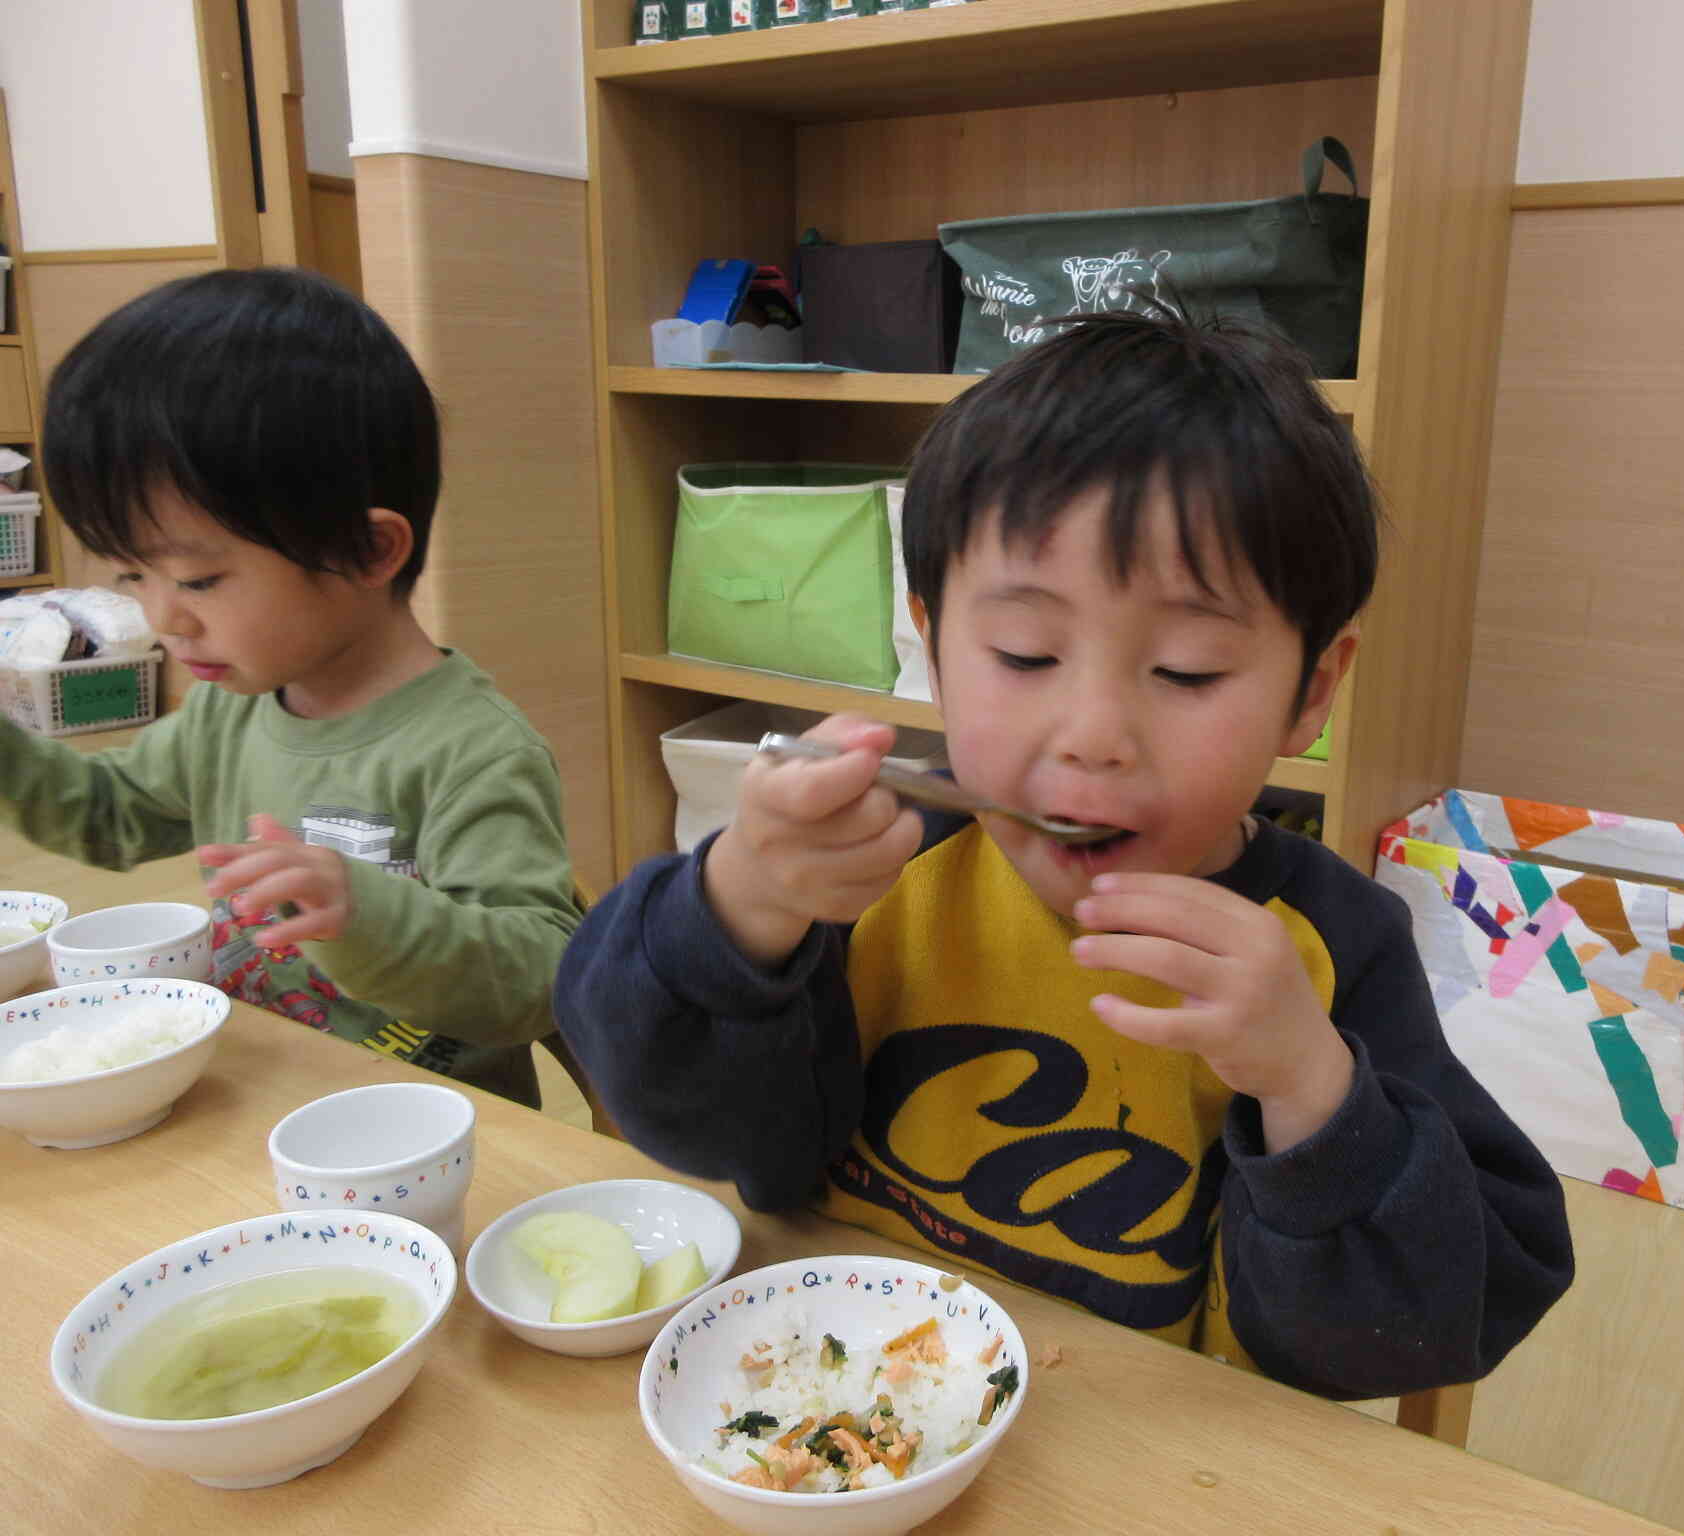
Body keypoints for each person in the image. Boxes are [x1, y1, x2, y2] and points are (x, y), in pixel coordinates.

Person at [554, 310, 1572, 1397]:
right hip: (827, 1387)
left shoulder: (1323, 953)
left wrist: (1309, 1088)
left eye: (1185, 670)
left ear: (1309, 693)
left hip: (1150, 1455)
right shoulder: (874, 871)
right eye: (1023, 652)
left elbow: (1459, 1309)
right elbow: (679, 1125)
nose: (1092, 731)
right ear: (930, 641)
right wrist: (735, 910)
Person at [0, 267, 580, 1107]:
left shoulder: (473, 750)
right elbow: (109, 814)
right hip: (265, 1097)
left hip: (428, 1134)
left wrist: (368, 918)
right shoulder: (227, 713)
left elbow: (538, 978)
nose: (165, 618)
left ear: (368, 550)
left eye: (197, 580)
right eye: (133, 576)